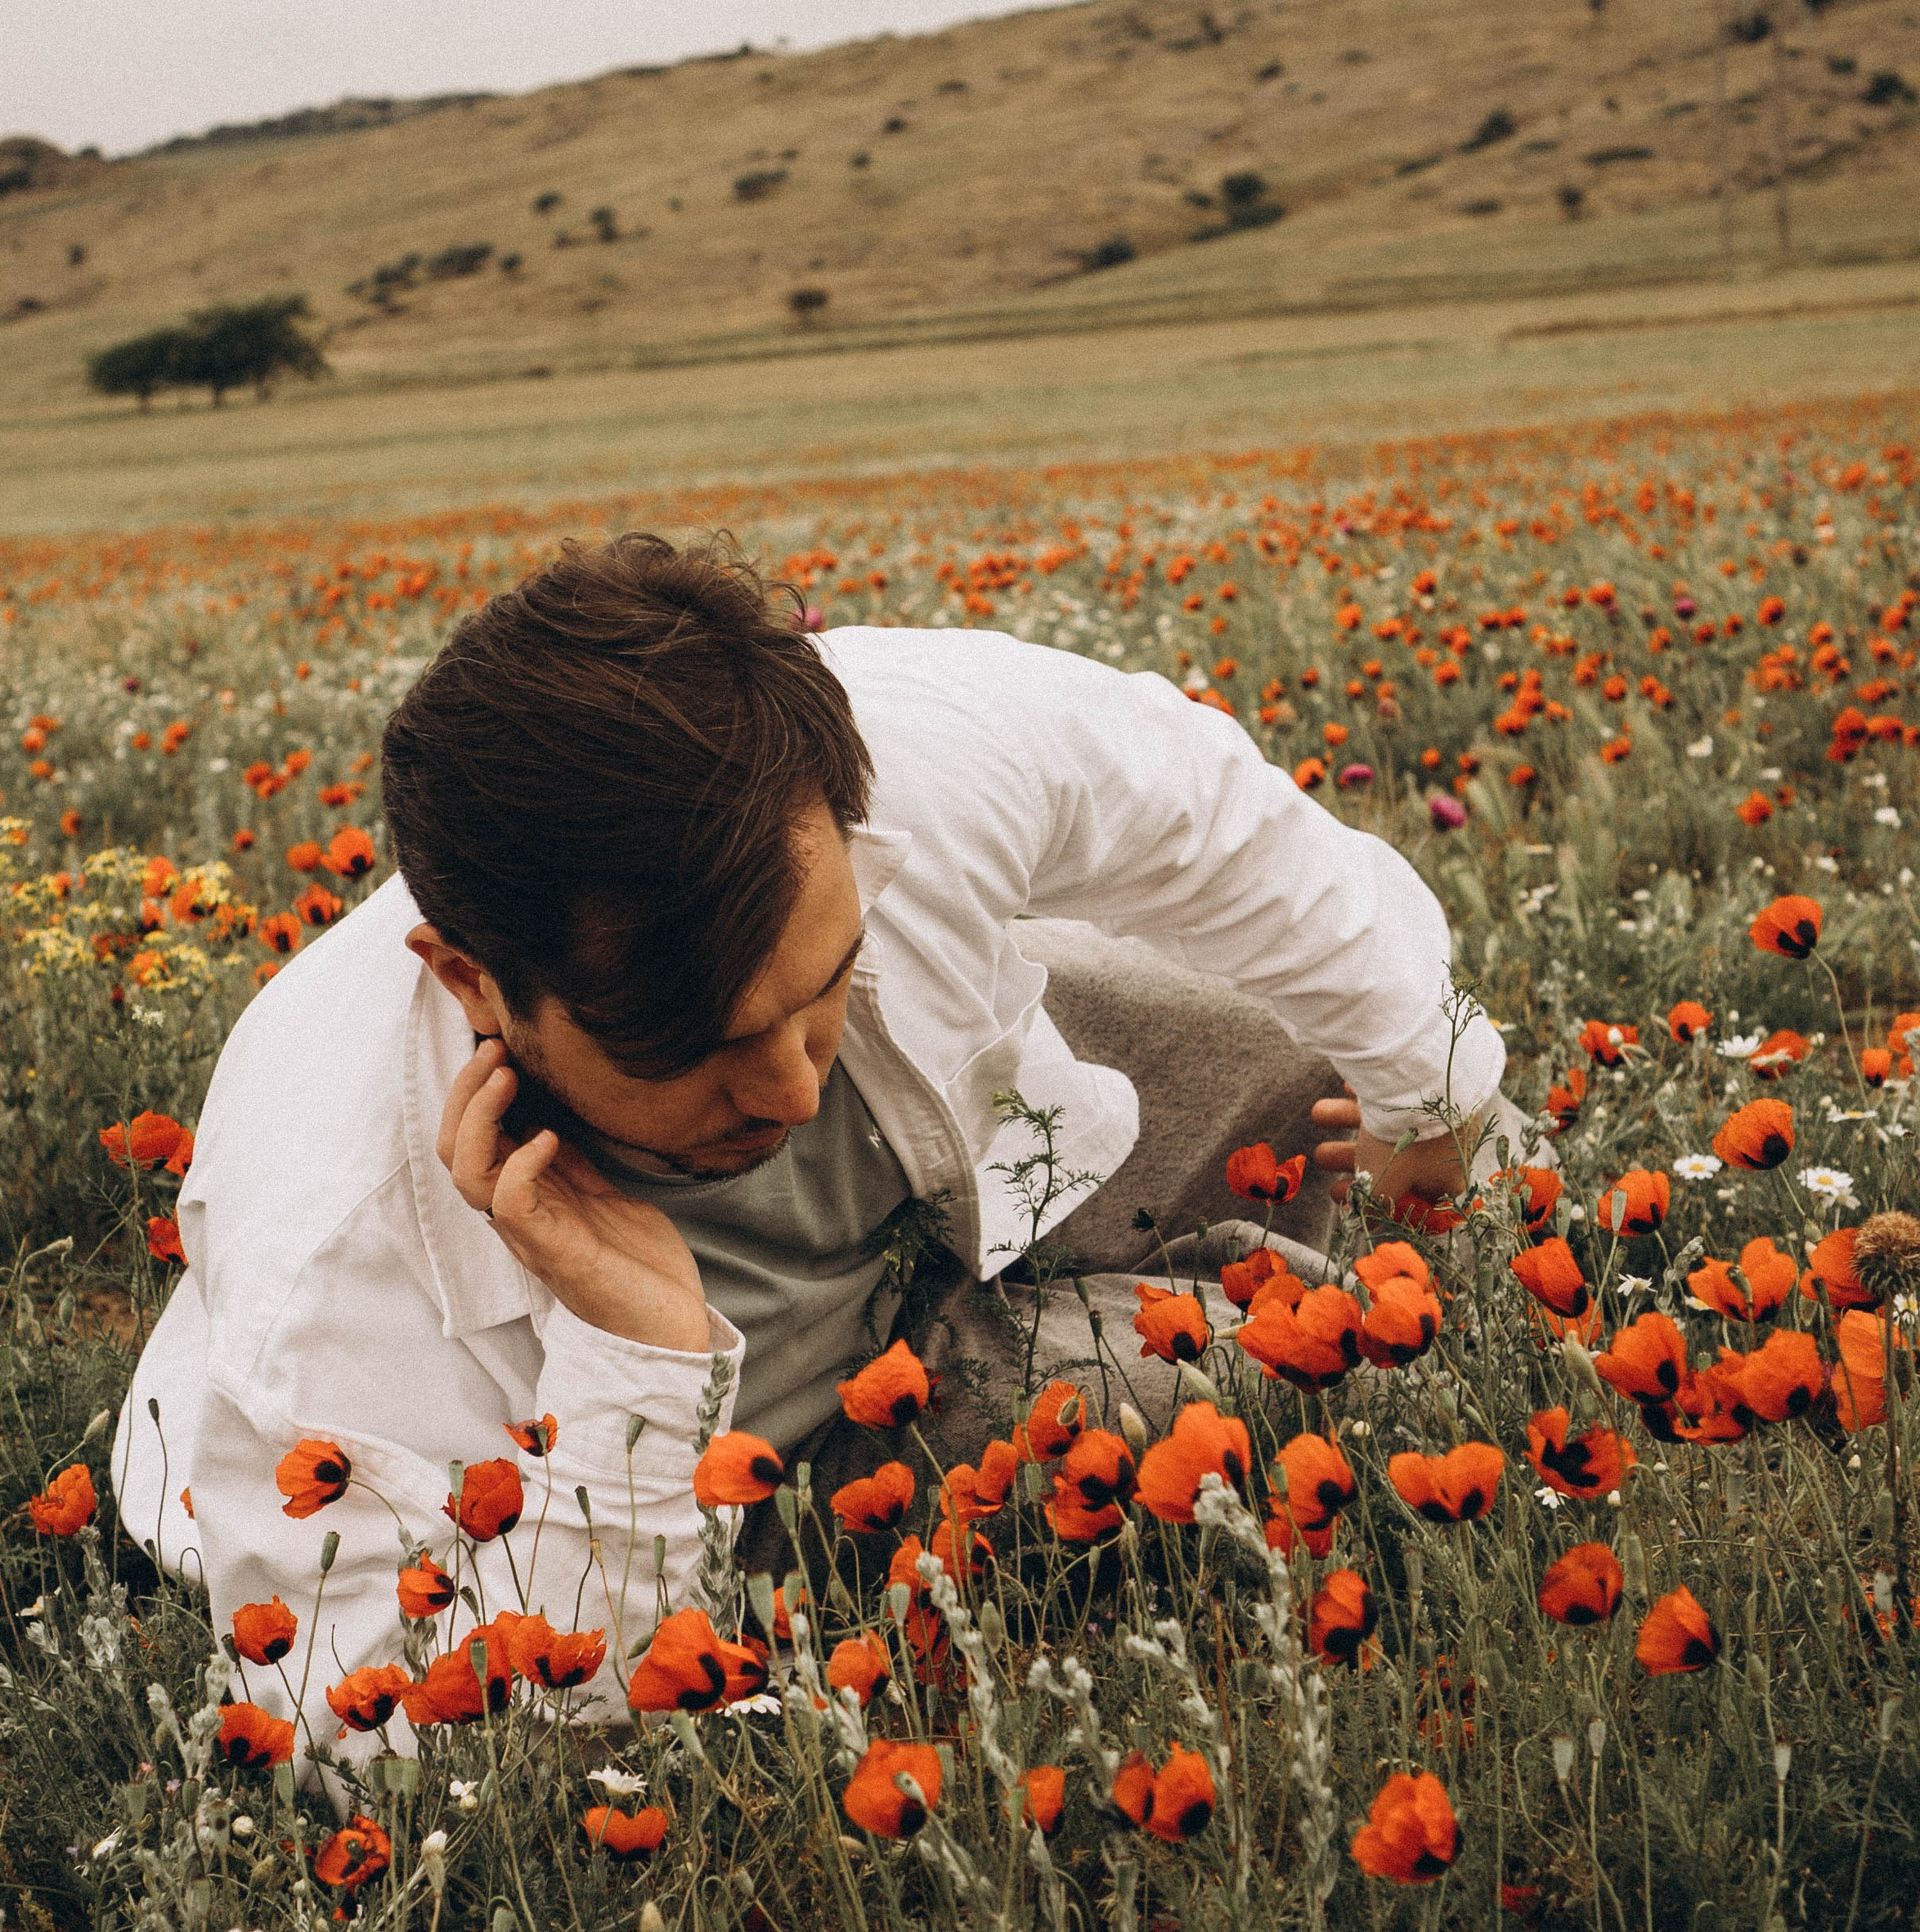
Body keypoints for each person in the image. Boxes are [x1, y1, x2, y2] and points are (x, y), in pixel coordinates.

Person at [117, 533, 1514, 1764]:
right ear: (474, 981)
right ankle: (1103, 1336)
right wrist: (641, 1353)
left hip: (952, 1167)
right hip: (753, 1460)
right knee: (1241, 1384)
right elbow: (431, 1712)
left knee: (1298, 1057)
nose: (789, 1090)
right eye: (701, 1051)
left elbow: (1229, 829)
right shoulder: (332, 1259)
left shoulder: (916, 745)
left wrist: (1429, 1110)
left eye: (823, 980)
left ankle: (1115, 1288)